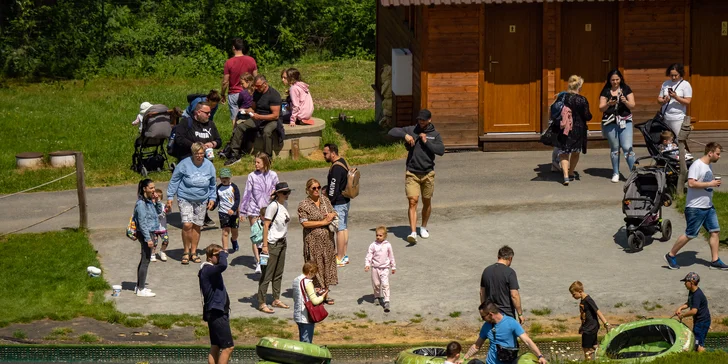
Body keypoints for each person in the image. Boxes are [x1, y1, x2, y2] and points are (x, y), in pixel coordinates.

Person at [664, 142, 728, 270]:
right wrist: (710, 183)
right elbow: (691, 183)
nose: (719, 156)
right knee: (690, 234)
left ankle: (715, 260)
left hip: (708, 207)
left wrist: (712, 184)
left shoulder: (708, 165)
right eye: (717, 154)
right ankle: (671, 255)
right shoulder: (697, 165)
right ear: (710, 153)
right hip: (695, 208)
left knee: (715, 231)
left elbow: (705, 182)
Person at [388, 109, 445, 243]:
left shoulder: (434, 134)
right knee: (413, 201)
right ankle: (413, 232)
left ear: (429, 120)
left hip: (428, 173)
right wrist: (405, 136)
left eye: (423, 120)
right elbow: (392, 131)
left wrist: (426, 142)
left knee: (427, 201)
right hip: (412, 172)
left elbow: (441, 150)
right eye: (419, 119)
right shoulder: (411, 129)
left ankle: (423, 227)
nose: (421, 122)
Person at [166, 142, 217, 265]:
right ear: (192, 154)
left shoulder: (209, 166)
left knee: (197, 225)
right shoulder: (184, 164)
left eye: (201, 153)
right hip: (185, 197)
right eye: (197, 154)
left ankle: (193, 252)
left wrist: (212, 198)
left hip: (202, 199)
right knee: (187, 224)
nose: (199, 156)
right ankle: (186, 251)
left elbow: (212, 184)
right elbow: (175, 180)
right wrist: (170, 196)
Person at [224, 75, 283, 166]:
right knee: (240, 127)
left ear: (265, 84)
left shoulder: (273, 95)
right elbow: (253, 107)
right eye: (255, 86)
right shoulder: (256, 92)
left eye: (258, 86)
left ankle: (268, 156)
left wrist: (259, 116)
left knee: (267, 132)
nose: (256, 88)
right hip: (258, 117)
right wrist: (248, 111)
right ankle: (234, 154)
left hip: (271, 119)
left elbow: (275, 116)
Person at [463, 301, 548, 364]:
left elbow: (527, 341)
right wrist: (463, 359)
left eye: (483, 317)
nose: (482, 319)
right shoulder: (486, 326)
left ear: (490, 314)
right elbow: (477, 346)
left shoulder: (511, 323)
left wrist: (540, 356)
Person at [298, 178, 338, 305]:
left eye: (318, 187)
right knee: (316, 266)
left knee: (327, 266)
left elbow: (333, 212)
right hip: (313, 242)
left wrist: (332, 215)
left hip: (328, 241)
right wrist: (322, 222)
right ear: (308, 190)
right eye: (313, 188)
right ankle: (315, 293)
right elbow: (304, 223)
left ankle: (326, 293)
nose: (316, 190)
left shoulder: (325, 200)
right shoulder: (304, 204)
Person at [258, 182, 292, 314]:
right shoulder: (273, 206)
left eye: (288, 192)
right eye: (284, 193)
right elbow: (266, 225)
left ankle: (276, 298)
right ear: (277, 194)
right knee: (267, 274)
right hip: (272, 244)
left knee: (278, 273)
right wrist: (265, 245)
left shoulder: (285, 205)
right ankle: (261, 302)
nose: (287, 195)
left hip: (282, 242)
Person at [198, 244, 234, 364]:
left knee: (216, 345)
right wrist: (223, 253)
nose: (220, 257)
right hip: (217, 313)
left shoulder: (208, 270)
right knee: (228, 347)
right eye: (218, 255)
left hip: (214, 312)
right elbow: (223, 265)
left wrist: (220, 254)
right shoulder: (208, 269)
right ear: (209, 257)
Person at [553, 75, 592, 186]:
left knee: (564, 152)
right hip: (578, 129)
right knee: (575, 151)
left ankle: (565, 175)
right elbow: (588, 116)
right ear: (579, 86)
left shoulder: (562, 97)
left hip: (564, 127)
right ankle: (570, 173)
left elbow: (555, 110)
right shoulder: (582, 100)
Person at [599, 70, 636, 183]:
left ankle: (634, 173)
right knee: (615, 148)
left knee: (627, 147)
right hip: (611, 122)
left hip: (625, 120)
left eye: (617, 79)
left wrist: (625, 101)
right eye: (612, 80)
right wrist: (609, 104)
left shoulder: (626, 89)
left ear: (620, 79)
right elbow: (601, 108)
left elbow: (632, 105)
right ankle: (615, 172)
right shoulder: (605, 91)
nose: (615, 82)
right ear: (609, 80)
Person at [323, 143, 351, 266]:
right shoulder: (343, 161)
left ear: (332, 153)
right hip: (345, 200)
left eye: (325, 153)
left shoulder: (336, 168)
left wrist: (329, 200)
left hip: (338, 203)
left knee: (339, 230)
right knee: (344, 228)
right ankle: (344, 255)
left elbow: (333, 187)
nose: (324, 156)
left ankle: (339, 257)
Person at [480, 245, 524, 324]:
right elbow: (514, 295)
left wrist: (485, 311)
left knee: (494, 336)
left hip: (491, 314)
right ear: (510, 258)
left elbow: (482, 293)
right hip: (507, 315)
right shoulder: (510, 272)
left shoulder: (486, 271)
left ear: (498, 256)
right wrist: (520, 313)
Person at [568, 281, 611, 360]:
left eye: (573, 294)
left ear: (580, 292)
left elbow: (597, 311)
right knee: (594, 345)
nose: (572, 296)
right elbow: (584, 315)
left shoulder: (588, 300)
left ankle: (589, 361)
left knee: (586, 349)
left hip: (590, 328)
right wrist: (582, 326)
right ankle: (601, 356)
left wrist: (606, 323)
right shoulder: (583, 300)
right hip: (588, 327)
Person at [133, 178, 161, 297]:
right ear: (144, 189)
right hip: (146, 233)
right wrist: (148, 239)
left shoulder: (150, 201)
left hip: (151, 232)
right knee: (146, 260)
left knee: (145, 259)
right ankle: (141, 288)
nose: (153, 190)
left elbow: (159, 212)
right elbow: (142, 223)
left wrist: (157, 201)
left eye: (154, 187)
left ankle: (140, 285)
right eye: (151, 188)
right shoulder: (141, 204)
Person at [221, 38, 258, 122]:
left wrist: (222, 94)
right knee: (250, 117)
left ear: (233, 47)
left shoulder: (229, 62)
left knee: (235, 119)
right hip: (249, 92)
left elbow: (225, 82)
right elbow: (256, 77)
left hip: (233, 93)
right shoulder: (251, 60)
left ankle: (235, 133)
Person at [658, 63, 692, 151]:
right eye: (671, 75)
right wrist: (664, 100)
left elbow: (687, 101)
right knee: (666, 140)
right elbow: (659, 99)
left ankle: (683, 159)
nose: (673, 77)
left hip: (678, 117)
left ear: (680, 73)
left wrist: (676, 97)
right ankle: (669, 159)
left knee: (678, 140)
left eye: (675, 75)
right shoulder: (665, 84)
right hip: (666, 116)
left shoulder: (685, 84)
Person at [674, 272, 710, 352]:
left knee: (698, 344)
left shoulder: (697, 295)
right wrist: (680, 308)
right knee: (696, 341)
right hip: (698, 321)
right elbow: (689, 303)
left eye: (686, 282)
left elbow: (694, 311)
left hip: (702, 322)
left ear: (692, 282)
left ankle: (705, 356)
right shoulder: (692, 291)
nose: (684, 284)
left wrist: (683, 315)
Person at [292, 261, 327, 343]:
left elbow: (297, 295)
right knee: (306, 342)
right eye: (314, 274)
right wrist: (323, 296)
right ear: (310, 272)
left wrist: (313, 291)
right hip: (306, 317)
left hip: (297, 315)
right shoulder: (308, 282)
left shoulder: (296, 280)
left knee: (302, 339)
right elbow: (315, 301)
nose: (314, 276)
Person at [365, 226, 396, 313]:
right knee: (376, 284)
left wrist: (393, 266)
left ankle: (386, 301)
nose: (378, 237)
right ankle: (377, 296)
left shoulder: (388, 245)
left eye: (380, 235)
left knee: (385, 284)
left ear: (385, 236)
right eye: (377, 235)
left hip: (385, 268)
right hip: (375, 268)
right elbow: (369, 255)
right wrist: (367, 264)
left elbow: (391, 256)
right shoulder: (373, 245)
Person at [216, 168, 240, 253]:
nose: (224, 180)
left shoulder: (233, 187)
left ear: (230, 178)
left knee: (235, 232)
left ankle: (234, 240)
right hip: (223, 212)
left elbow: (237, 200)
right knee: (225, 232)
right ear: (220, 178)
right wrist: (212, 206)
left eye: (226, 178)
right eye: (222, 178)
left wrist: (233, 209)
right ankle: (225, 249)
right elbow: (217, 200)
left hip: (233, 213)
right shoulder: (218, 188)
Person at [151, 188, 169, 262]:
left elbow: (168, 212)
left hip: (162, 228)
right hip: (154, 229)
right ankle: (152, 254)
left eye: (158, 197)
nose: (156, 199)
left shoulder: (163, 206)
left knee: (166, 240)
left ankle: (162, 251)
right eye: (154, 197)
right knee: (154, 243)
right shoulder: (151, 206)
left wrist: (169, 208)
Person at [249, 207, 266, 274]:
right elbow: (254, 236)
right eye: (263, 216)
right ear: (260, 216)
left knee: (265, 259)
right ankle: (258, 263)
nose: (265, 218)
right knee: (260, 255)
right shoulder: (257, 224)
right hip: (259, 244)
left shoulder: (270, 223)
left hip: (267, 244)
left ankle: (263, 269)